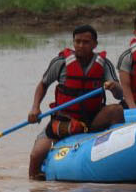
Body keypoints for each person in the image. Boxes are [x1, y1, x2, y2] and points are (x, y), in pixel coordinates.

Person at [26, 25, 124, 180]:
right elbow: (43, 85)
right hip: (65, 120)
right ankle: (36, 185)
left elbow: (120, 94)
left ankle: (118, 152)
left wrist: (113, 87)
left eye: (86, 42)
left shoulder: (104, 64)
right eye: (77, 41)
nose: (80, 46)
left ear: (94, 45)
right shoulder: (60, 63)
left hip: (93, 118)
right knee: (35, 155)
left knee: (117, 110)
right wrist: (35, 108)